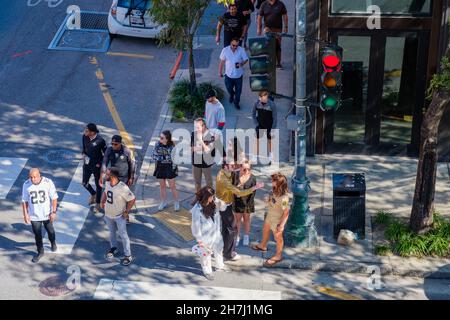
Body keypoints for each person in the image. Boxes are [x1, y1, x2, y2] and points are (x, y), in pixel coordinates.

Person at [216, 163, 263, 261]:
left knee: (228, 227)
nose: (235, 168)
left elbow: (250, 193)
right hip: (227, 204)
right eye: (232, 166)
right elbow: (239, 192)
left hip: (233, 203)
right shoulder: (226, 178)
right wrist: (254, 188)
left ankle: (226, 247)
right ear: (225, 167)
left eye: (248, 169)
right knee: (232, 228)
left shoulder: (224, 173)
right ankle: (229, 252)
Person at [251, 172, 290, 267]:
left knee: (278, 238)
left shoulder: (284, 198)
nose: (271, 182)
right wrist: (268, 199)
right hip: (269, 216)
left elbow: (286, 212)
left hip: (277, 220)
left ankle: (278, 256)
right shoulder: (274, 190)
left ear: (279, 183)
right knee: (265, 230)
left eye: (273, 181)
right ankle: (263, 246)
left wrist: (281, 225)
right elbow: (272, 201)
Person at [191, 187, 229, 281]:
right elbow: (195, 226)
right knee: (206, 255)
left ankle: (220, 265)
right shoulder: (197, 209)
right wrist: (199, 240)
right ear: (205, 197)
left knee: (219, 248)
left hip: (216, 233)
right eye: (211, 196)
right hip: (205, 236)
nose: (213, 198)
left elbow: (224, 208)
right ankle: (207, 271)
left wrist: (219, 201)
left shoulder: (214, 203)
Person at [21, 168, 58, 263]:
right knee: (37, 235)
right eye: (31, 177)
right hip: (34, 215)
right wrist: (25, 214)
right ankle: (40, 252)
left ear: (39, 175)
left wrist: (53, 212)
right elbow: (24, 201)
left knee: (51, 231)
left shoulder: (47, 182)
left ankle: (53, 242)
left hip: (47, 214)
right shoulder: (26, 184)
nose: (33, 179)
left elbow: (54, 198)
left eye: (35, 177)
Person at [101, 167, 136, 266]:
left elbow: (132, 199)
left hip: (119, 216)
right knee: (112, 232)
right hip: (108, 214)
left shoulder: (122, 187)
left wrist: (127, 211)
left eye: (107, 174)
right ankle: (114, 248)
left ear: (113, 176)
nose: (105, 176)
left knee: (123, 235)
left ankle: (128, 255)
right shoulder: (108, 183)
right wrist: (102, 201)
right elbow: (105, 192)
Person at [82, 123, 107, 213]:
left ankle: (97, 203)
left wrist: (100, 164)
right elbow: (84, 149)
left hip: (97, 166)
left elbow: (106, 155)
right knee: (84, 183)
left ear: (92, 132)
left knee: (98, 185)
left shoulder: (100, 140)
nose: (85, 131)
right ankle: (93, 194)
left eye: (87, 130)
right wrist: (83, 154)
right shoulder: (84, 137)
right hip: (87, 164)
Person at [153, 130, 180, 211]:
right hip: (160, 166)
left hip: (170, 167)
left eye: (162, 138)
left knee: (172, 186)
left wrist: (162, 158)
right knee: (162, 186)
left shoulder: (172, 147)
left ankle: (176, 202)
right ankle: (163, 201)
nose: (160, 139)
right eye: (160, 137)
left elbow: (175, 159)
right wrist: (165, 158)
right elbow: (154, 156)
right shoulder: (157, 144)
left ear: (167, 139)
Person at [219, 38, 249, 110]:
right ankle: (232, 95)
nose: (235, 47)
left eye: (237, 45)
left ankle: (236, 103)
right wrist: (220, 72)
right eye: (233, 45)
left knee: (238, 92)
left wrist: (241, 64)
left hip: (238, 75)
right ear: (230, 43)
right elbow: (222, 62)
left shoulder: (241, 50)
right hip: (228, 75)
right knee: (229, 88)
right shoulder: (225, 50)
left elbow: (246, 59)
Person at [257, 0, 288, 69]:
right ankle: (269, 62)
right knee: (268, 45)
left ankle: (278, 63)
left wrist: (286, 27)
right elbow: (259, 17)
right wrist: (259, 28)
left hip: (278, 29)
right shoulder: (264, 4)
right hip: (267, 29)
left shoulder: (280, 4)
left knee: (277, 46)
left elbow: (285, 15)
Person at [191, 118, 220, 193]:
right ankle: (198, 198)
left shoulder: (211, 135)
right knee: (197, 183)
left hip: (206, 163)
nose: (196, 129)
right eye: (195, 127)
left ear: (203, 126)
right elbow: (191, 149)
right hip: (196, 162)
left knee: (209, 183)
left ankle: (210, 199)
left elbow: (208, 149)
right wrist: (202, 147)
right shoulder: (193, 134)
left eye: (198, 127)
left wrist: (200, 141)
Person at [232, 160, 256, 247]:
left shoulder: (253, 178)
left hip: (248, 203)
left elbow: (253, 193)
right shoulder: (235, 175)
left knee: (246, 220)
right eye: (244, 169)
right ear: (240, 168)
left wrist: (248, 204)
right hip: (237, 202)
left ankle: (246, 236)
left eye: (249, 169)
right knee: (237, 220)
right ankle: (237, 236)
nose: (247, 171)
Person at [251, 90, 277, 164]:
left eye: (266, 98)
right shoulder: (256, 104)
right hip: (260, 125)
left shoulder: (272, 105)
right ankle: (254, 158)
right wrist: (256, 124)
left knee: (270, 141)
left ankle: (271, 157)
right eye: (264, 98)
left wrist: (273, 129)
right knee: (256, 140)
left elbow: (275, 117)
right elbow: (253, 114)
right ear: (260, 98)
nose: (265, 100)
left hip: (269, 125)